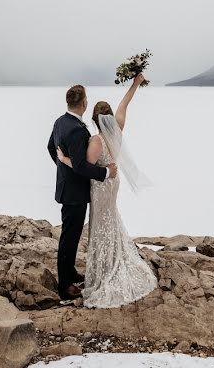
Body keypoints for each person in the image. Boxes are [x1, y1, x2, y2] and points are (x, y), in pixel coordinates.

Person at [56, 73, 157, 308]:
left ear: (93, 117)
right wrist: (135, 84)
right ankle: (114, 258)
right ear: (110, 117)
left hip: (102, 186)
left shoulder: (96, 141)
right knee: (111, 219)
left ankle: (103, 269)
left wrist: (64, 159)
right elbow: (125, 103)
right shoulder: (118, 129)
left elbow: (84, 168)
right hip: (113, 184)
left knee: (100, 224)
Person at [47, 84, 118, 301]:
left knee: (72, 235)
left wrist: (62, 168)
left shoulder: (60, 121)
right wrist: (106, 172)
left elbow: (51, 147)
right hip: (75, 193)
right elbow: (80, 166)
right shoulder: (78, 130)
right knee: (69, 238)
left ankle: (70, 274)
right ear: (85, 104)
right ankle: (65, 285)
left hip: (67, 188)